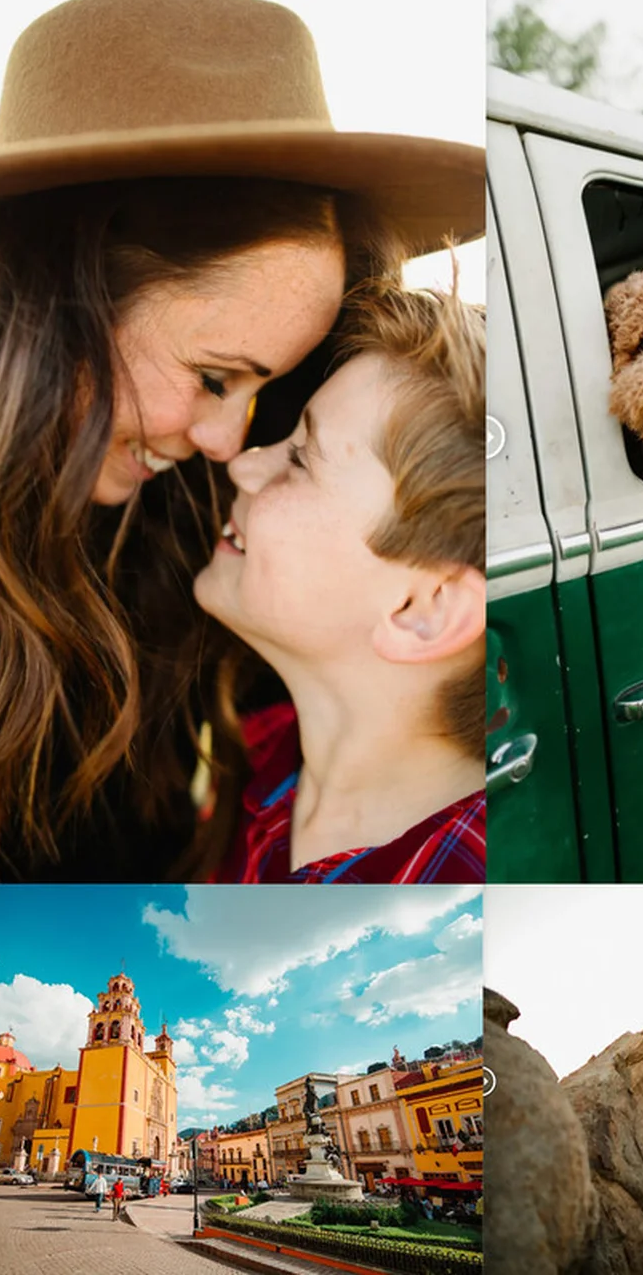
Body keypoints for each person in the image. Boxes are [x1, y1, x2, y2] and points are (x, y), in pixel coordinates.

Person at [0, 0, 480, 882]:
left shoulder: (246, 473)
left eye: (266, 390)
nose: (226, 444)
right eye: (210, 377)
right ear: (55, 303)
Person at [195, 279, 486, 882]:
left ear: (421, 608)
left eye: (301, 458)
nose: (243, 464)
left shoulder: (461, 877)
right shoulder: (261, 753)